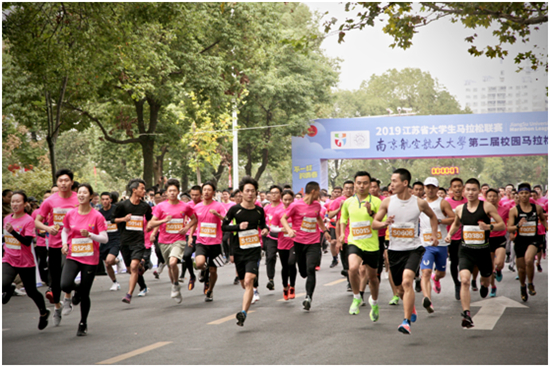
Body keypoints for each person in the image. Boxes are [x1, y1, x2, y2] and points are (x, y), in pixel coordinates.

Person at [372, 168, 440, 335]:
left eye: (395, 181)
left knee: (408, 281)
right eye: (391, 180)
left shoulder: (419, 203)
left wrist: (433, 234)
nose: (391, 184)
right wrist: (384, 223)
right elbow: (374, 224)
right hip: (395, 250)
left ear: (405, 183)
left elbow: (432, 217)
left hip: (413, 249)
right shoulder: (387, 202)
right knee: (400, 289)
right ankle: (411, 308)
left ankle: (406, 321)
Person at [445, 178, 505, 328]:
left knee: (485, 279)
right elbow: (456, 223)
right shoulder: (460, 209)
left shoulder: (487, 207)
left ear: (479, 191)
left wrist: (488, 227)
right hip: (465, 251)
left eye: (474, 190)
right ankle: (467, 314)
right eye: (468, 189)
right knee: (464, 280)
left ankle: (485, 285)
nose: (470, 192)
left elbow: (502, 225)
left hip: (483, 251)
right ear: (465, 190)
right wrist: (450, 235)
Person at [60, 184, 108, 336]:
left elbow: (105, 239)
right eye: (79, 192)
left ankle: (83, 323)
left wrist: (90, 235)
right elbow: (65, 230)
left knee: (85, 293)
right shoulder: (71, 214)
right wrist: (64, 244)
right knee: (65, 284)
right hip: (73, 255)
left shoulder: (97, 216)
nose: (81, 195)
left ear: (90, 196)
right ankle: (77, 290)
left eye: (84, 193)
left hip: (90, 258)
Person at [34, 168, 79, 326]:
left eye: (66, 180)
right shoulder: (50, 201)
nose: (63, 183)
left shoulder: (77, 199)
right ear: (57, 182)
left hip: (74, 244)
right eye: (60, 181)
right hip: (54, 244)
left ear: (71, 182)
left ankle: (67, 299)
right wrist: (48, 228)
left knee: (66, 276)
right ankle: (57, 307)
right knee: (55, 279)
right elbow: (38, 221)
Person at [222, 176, 268, 326]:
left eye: (252, 191)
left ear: (256, 193)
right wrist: (238, 227)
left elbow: (263, 225)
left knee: (249, 281)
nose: (250, 194)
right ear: (241, 192)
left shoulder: (260, 211)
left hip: (254, 250)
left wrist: (265, 230)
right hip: (239, 250)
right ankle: (249, 295)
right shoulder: (235, 210)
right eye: (247, 191)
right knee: (244, 283)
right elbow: (224, 226)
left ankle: (243, 313)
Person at [3, 190, 50, 330]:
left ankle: (43, 312)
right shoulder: (6, 218)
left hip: (25, 262)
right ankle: (9, 289)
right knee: (3, 283)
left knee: (31, 291)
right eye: (13, 201)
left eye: (18, 201)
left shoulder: (28, 220)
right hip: (9, 258)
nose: (15, 204)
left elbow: (27, 242)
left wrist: (13, 232)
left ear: (25, 204)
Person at [280, 181, 331, 311]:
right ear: (313, 191)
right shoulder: (296, 205)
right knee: (303, 271)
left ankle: (308, 297)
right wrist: (289, 230)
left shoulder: (317, 205)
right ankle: (303, 275)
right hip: (299, 242)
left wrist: (325, 231)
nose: (320, 193)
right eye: (318, 191)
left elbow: (318, 218)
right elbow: (283, 219)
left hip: (313, 242)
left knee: (310, 269)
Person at [340, 171, 382, 321]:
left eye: (365, 183)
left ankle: (375, 303)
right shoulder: (348, 202)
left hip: (372, 245)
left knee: (373, 278)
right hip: (354, 241)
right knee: (352, 268)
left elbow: (379, 222)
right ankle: (357, 297)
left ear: (370, 184)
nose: (362, 186)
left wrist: (371, 211)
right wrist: (340, 235)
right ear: (354, 184)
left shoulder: (377, 201)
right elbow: (343, 219)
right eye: (359, 183)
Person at [147, 179, 197, 303]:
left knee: (173, 262)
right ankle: (175, 284)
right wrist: (162, 221)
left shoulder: (184, 206)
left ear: (178, 192)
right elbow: (152, 222)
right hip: (164, 241)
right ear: (166, 193)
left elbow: (194, 219)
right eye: (170, 191)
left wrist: (186, 228)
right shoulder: (160, 206)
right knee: (170, 266)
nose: (172, 193)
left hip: (178, 240)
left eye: (174, 190)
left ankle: (175, 284)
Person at [113, 178, 153, 304]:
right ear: (134, 190)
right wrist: (124, 219)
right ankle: (142, 266)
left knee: (134, 267)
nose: (144, 191)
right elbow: (113, 220)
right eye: (142, 188)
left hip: (138, 242)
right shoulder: (122, 205)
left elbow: (150, 219)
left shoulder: (145, 206)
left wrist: (152, 228)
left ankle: (129, 294)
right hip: (124, 241)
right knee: (131, 269)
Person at [418, 177, 455, 313]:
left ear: (438, 189)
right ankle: (428, 299)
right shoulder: (419, 203)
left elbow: (453, 218)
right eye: (428, 187)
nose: (430, 190)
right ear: (424, 188)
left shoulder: (443, 203)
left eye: (433, 187)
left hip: (441, 244)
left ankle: (437, 278)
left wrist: (439, 220)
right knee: (425, 272)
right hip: (425, 244)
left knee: (441, 273)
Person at [507, 182, 547, 302]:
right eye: (521, 193)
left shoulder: (537, 208)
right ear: (518, 195)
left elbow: (544, 220)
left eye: (526, 193)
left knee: (529, 260)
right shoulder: (514, 210)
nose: (524, 195)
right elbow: (509, 228)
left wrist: (547, 227)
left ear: (530, 194)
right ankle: (523, 286)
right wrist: (517, 226)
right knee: (521, 269)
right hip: (520, 241)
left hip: (533, 239)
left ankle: (530, 283)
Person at [188, 181, 226, 301]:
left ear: (213, 192)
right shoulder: (197, 207)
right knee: (199, 264)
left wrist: (218, 215)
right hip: (201, 241)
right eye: (204, 190)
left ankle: (210, 290)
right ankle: (203, 271)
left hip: (215, 243)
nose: (206, 192)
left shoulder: (218, 206)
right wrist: (190, 236)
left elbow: (227, 221)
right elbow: (194, 222)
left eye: (209, 190)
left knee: (213, 270)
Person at [270, 190, 298, 300]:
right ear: (282, 199)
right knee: (285, 267)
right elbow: (272, 228)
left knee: (292, 263)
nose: (287, 202)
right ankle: (285, 287)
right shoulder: (278, 212)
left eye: (289, 200)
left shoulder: (296, 211)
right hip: (282, 243)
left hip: (294, 242)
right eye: (285, 199)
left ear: (293, 200)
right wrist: (282, 229)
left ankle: (292, 287)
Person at [328, 181, 354, 291]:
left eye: (351, 188)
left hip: (356, 234)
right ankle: (350, 282)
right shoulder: (338, 201)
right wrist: (340, 207)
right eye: (346, 188)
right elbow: (330, 215)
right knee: (346, 260)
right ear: (343, 190)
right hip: (343, 233)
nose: (348, 190)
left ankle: (357, 279)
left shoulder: (358, 200)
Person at [446, 177, 468, 300]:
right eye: (455, 186)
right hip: (453, 237)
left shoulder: (468, 201)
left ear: (463, 188)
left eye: (459, 186)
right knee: (454, 262)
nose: (457, 188)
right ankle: (457, 284)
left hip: (467, 237)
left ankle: (466, 280)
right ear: (451, 189)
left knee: (465, 261)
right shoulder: (447, 202)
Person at [485, 188, 510, 297]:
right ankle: (493, 287)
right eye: (489, 196)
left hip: (500, 238)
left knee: (499, 263)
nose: (492, 198)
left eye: (494, 196)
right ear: (486, 197)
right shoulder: (483, 210)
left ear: (498, 197)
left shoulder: (504, 210)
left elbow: (509, 222)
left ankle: (498, 269)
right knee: (490, 266)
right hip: (487, 239)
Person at [98, 192, 122, 291]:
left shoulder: (116, 209)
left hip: (116, 239)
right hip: (104, 240)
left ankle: (116, 260)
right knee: (107, 264)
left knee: (109, 260)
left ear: (110, 200)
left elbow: (122, 219)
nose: (105, 201)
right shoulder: (99, 213)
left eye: (107, 199)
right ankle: (115, 282)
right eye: (103, 199)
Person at [263, 185, 284, 291]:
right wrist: (264, 229)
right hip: (271, 237)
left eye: (276, 192)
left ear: (280, 194)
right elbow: (263, 222)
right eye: (272, 193)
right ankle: (270, 280)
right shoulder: (266, 208)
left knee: (286, 261)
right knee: (270, 257)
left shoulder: (284, 207)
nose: (273, 195)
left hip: (283, 237)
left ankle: (287, 282)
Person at [181, 185, 202, 289]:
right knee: (186, 255)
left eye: (196, 195)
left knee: (201, 262)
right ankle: (192, 276)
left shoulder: (205, 204)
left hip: (203, 236)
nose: (194, 197)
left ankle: (205, 276)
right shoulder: (188, 205)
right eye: (192, 195)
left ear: (201, 194)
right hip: (190, 235)